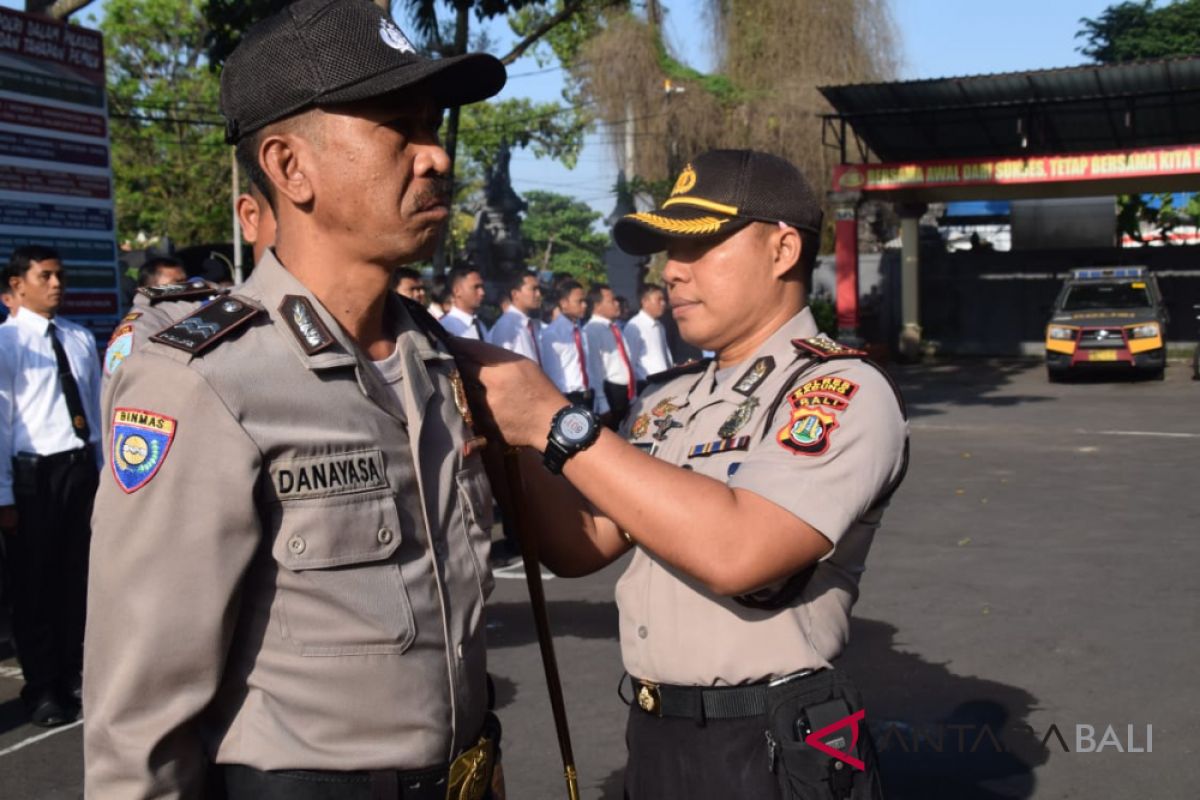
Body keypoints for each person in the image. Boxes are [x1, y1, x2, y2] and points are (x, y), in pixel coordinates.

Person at [83, 2, 507, 797]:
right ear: (289, 167)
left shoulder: (435, 359)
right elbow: (139, 720)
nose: (436, 157)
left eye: (433, 126)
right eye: (398, 126)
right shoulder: (207, 378)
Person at [452, 149, 908, 800]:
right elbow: (582, 544)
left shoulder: (837, 389)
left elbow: (740, 551)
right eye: (670, 251)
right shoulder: (667, 398)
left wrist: (557, 421)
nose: (674, 272)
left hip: (773, 742)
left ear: (781, 251)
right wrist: (512, 439)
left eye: (701, 247)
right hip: (654, 731)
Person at [0, 245, 102, 728]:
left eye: (60, 275)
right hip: (34, 476)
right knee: (34, 586)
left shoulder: (79, 337)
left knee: (76, 580)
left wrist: (105, 474)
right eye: (45, 276)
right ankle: (42, 687)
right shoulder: (7, 343)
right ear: (18, 285)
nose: (56, 284)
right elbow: (1, 424)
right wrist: (3, 495)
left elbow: (97, 411)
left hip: (80, 468)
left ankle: (73, 673)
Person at [538, 279, 609, 417]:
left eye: (585, 302)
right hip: (568, 398)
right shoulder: (552, 334)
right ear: (564, 303)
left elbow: (589, 367)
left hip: (588, 396)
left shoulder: (580, 331)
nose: (584, 305)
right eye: (579, 301)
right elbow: (552, 375)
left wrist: (599, 399)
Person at [583, 282, 637, 427]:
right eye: (611, 301)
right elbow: (595, 368)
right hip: (611, 392)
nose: (617, 304)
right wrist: (602, 402)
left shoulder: (615, 328)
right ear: (597, 305)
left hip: (626, 392)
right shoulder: (592, 330)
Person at [623, 283, 674, 389]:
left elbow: (666, 356)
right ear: (645, 302)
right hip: (647, 385)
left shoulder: (660, 325)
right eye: (659, 300)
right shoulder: (635, 326)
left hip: (665, 383)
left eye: (663, 299)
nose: (663, 303)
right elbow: (630, 362)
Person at [487, 270, 542, 363]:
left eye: (539, 289)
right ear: (515, 294)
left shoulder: (532, 325)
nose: (539, 294)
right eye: (533, 289)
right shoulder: (506, 325)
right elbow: (503, 367)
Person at [439, 264, 487, 339]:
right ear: (457, 291)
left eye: (481, 287)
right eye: (476, 287)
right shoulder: (446, 328)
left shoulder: (480, 326)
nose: (482, 292)